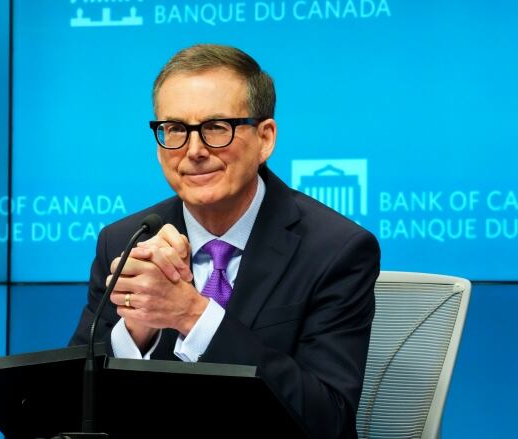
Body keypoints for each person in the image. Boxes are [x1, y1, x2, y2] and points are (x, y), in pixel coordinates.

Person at [71, 44, 380, 438]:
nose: (195, 151)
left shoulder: (335, 250)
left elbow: (327, 420)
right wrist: (136, 329)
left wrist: (192, 316)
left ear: (265, 138)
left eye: (217, 127)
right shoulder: (126, 241)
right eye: (177, 129)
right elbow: (72, 407)